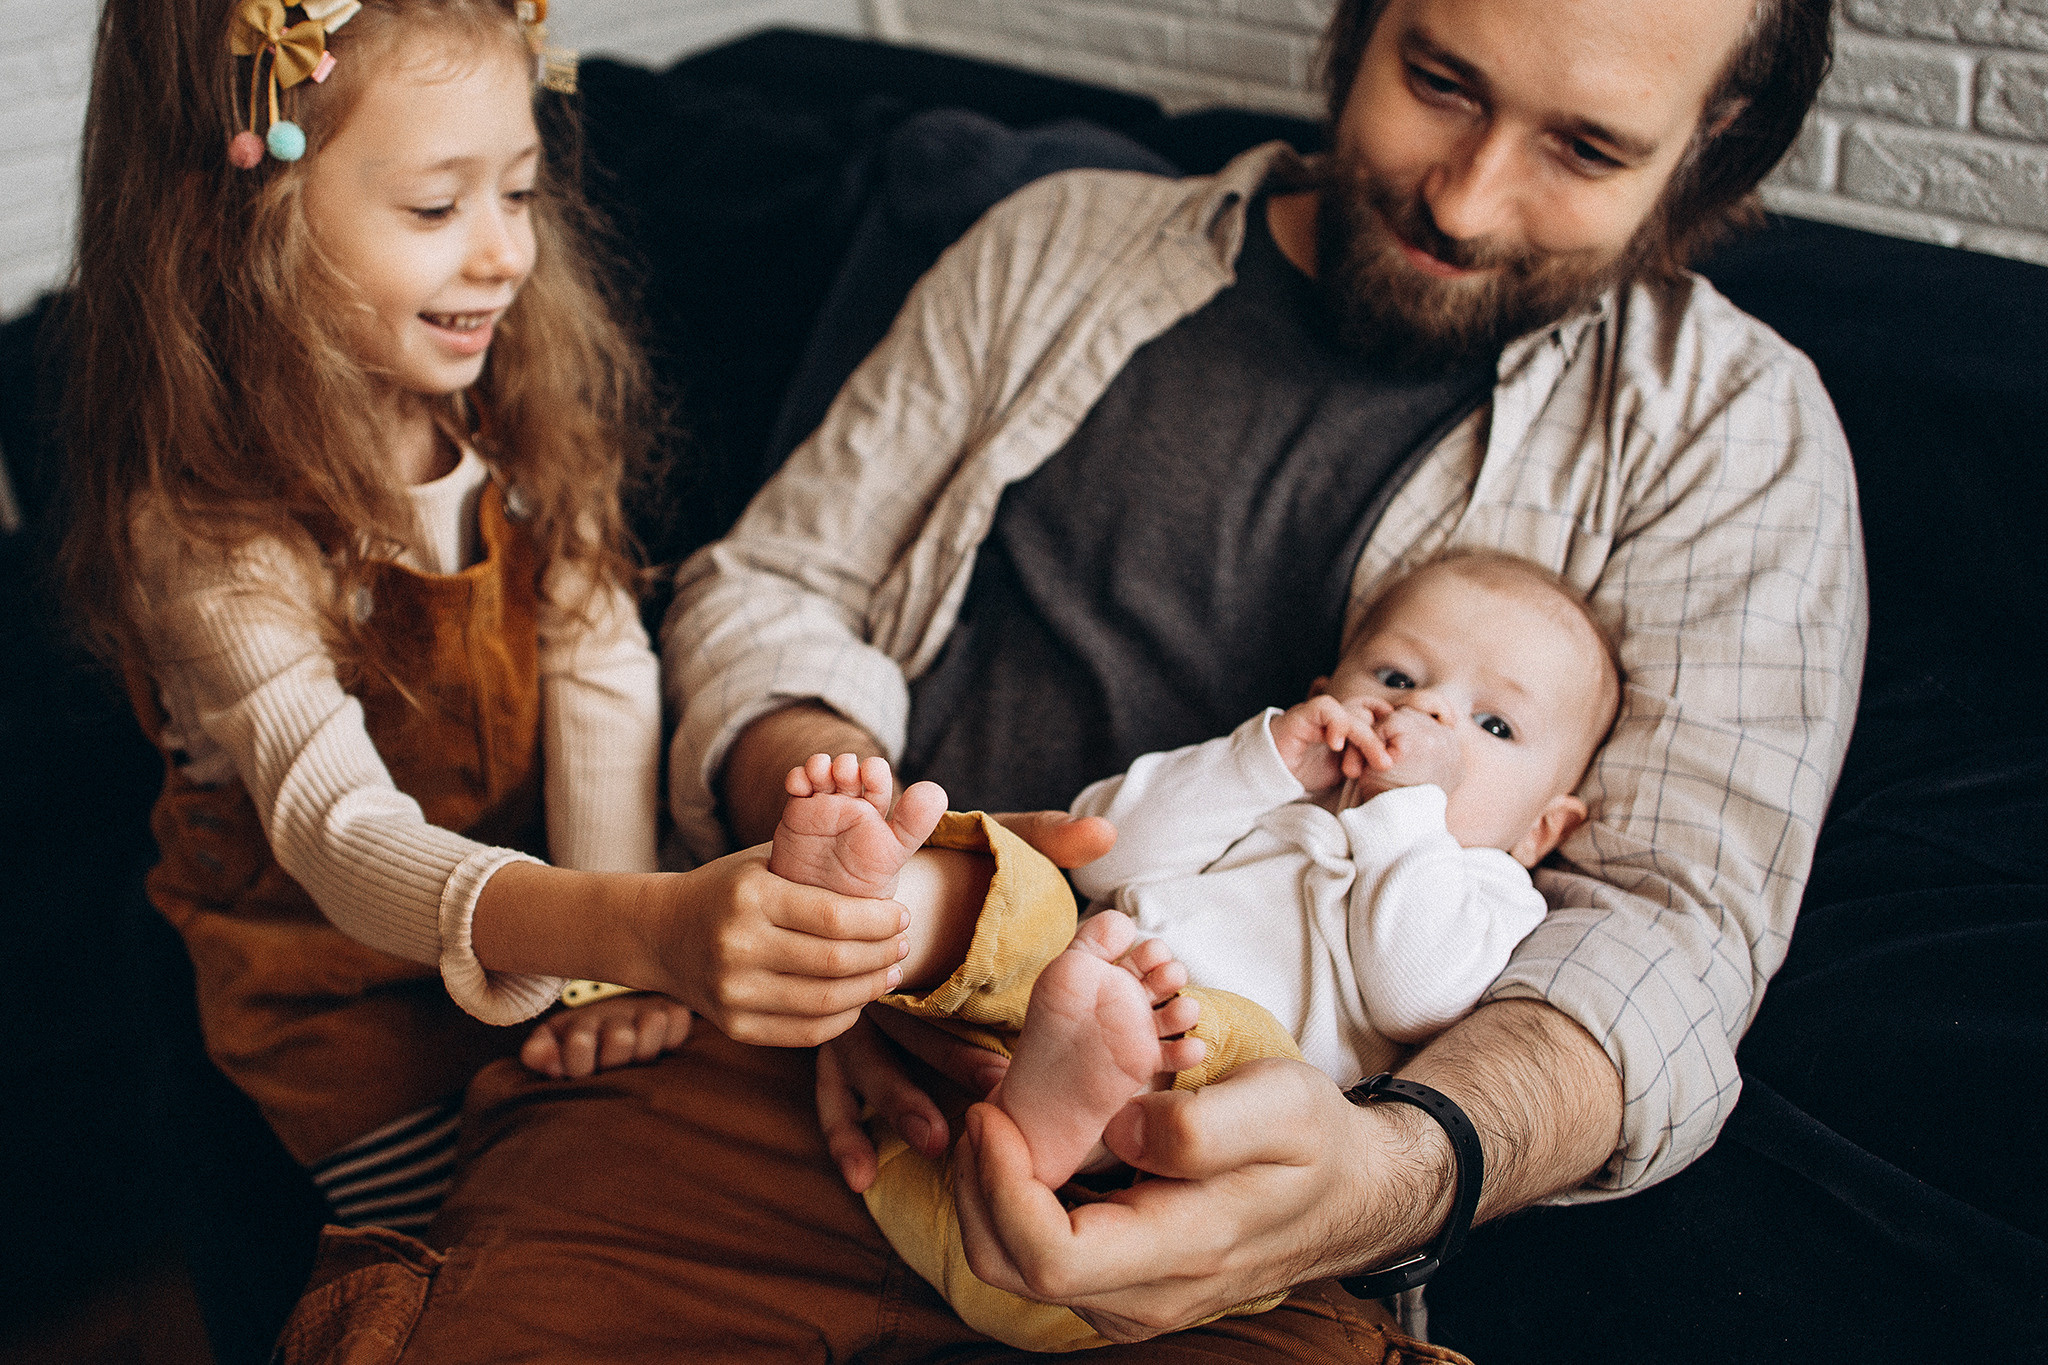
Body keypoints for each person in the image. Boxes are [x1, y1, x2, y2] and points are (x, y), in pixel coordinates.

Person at [269, 0, 1865, 1358]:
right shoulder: (1053, 245)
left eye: (1585, 150)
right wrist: (853, 886)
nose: (1465, 194)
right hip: (791, 1088)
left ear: (1704, 162)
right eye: (1438, 80)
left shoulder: (1726, 434)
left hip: (1235, 1225)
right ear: (1359, 23)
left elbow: (1676, 929)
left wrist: (1389, 1170)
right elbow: (779, 585)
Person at [60, 0, 908, 1236]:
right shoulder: (207, 530)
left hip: (567, 918)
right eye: (434, 207)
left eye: (517, 192)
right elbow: (339, 832)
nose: (506, 253)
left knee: (675, 1194)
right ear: (236, 222)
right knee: (469, 1260)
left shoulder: (508, 423)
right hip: (342, 1004)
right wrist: (636, 928)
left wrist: (615, 958)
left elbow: (602, 666)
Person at [764, 550, 1624, 1351]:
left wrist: (1406, 811)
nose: (1426, 711)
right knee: (1030, 890)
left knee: (1246, 1051)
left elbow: (1414, 991)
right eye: (1397, 677)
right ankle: (876, 901)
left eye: (1494, 724)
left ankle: (1086, 1094)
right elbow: (1104, 847)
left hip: (1166, 1200)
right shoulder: (1268, 801)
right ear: (1326, 693)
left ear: (1545, 826)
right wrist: (1258, 764)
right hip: (961, 1109)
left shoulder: (1488, 888)